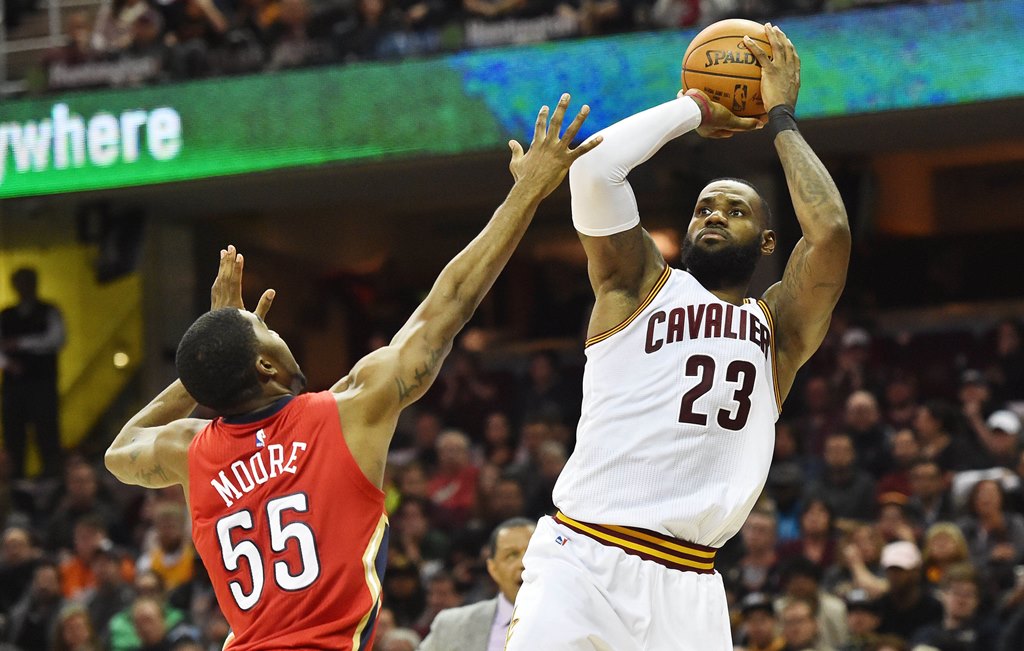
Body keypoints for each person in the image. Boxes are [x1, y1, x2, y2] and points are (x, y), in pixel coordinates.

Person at [103, 95, 599, 651]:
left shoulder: (190, 451)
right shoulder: (349, 410)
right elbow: (450, 301)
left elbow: (120, 451)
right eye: (269, 331)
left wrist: (214, 350)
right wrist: (528, 189)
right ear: (265, 365)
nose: (280, 332)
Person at [507, 24, 851, 651]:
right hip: (584, 557)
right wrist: (695, 107)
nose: (714, 213)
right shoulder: (636, 283)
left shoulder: (779, 327)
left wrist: (780, 118)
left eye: (736, 209)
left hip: (692, 581)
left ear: (768, 243)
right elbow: (595, 174)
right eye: (703, 208)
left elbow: (829, 232)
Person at [420, 517, 535, 650]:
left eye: (533, 553)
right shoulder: (451, 626)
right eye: (511, 555)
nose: (523, 563)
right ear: (493, 568)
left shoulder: (564, 624)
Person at [0, 267, 66, 479]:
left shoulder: (49, 311)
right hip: (14, 386)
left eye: (28, 282)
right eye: (20, 283)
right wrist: (7, 363)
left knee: (46, 431)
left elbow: (56, 339)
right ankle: (15, 480)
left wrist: (21, 343)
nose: (25, 288)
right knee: (13, 434)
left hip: (42, 383)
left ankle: (52, 477)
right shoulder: (6, 315)